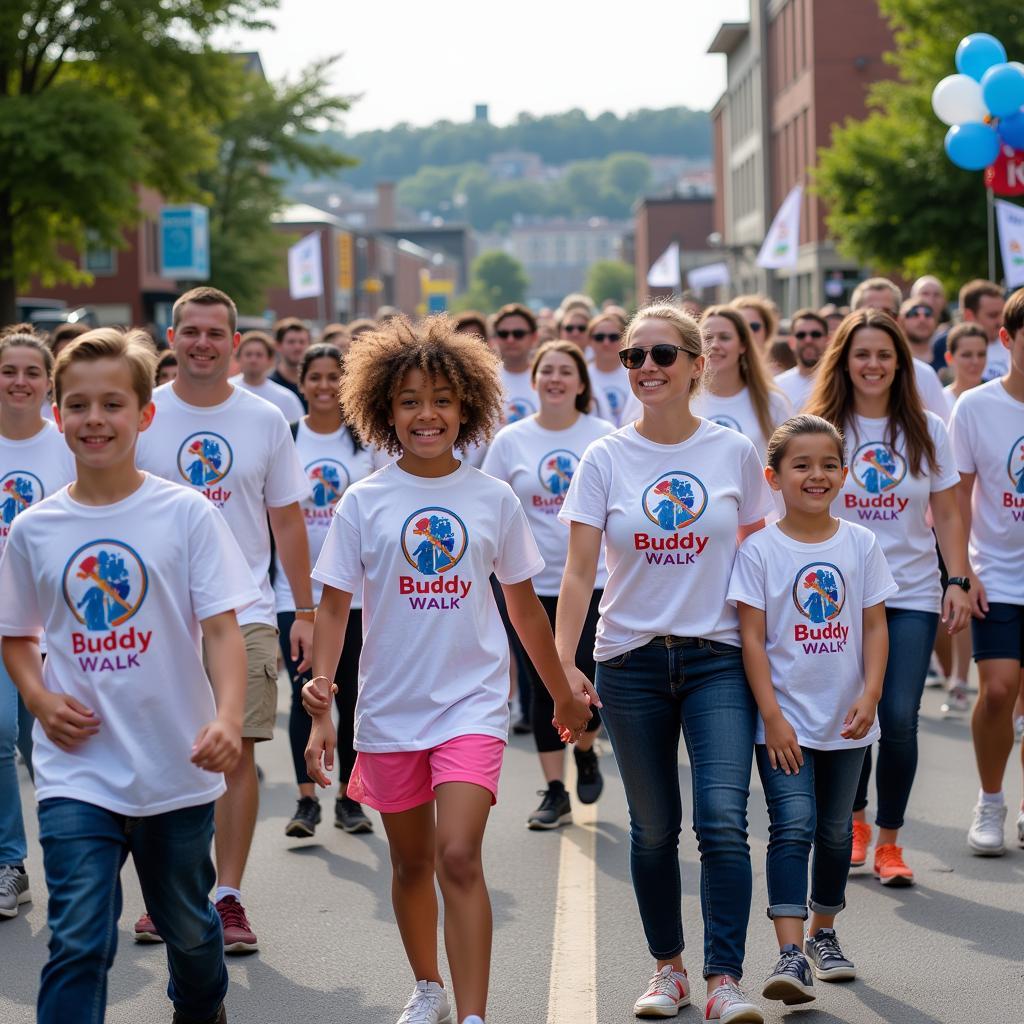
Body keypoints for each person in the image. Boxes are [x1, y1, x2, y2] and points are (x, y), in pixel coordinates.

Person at [301, 315, 592, 1024]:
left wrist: (562, 694)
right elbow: (335, 608)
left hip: (472, 703)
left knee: (458, 855)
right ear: (383, 411)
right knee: (410, 866)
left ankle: (472, 1014)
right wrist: (322, 706)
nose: (425, 414)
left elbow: (525, 611)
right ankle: (427, 985)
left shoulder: (492, 497)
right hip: (391, 708)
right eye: (408, 401)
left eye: (439, 399)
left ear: (466, 408)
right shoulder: (364, 501)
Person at [0, 328, 259, 1024]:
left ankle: (200, 1010)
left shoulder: (185, 515)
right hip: (78, 770)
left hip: (174, 766)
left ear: (144, 414)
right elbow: (16, 635)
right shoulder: (35, 529)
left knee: (190, 931)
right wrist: (38, 695)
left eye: (112, 404)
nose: (94, 420)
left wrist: (229, 717)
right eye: (78, 405)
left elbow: (221, 630)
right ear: (58, 415)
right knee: (79, 939)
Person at [557, 302, 774, 1023]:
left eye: (661, 355)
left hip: (718, 658)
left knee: (721, 818)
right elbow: (579, 568)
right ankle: (668, 969)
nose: (646, 367)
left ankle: (724, 979)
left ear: (696, 363)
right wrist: (563, 663)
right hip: (630, 661)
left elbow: (761, 558)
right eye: (633, 357)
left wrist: (780, 655)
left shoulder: (734, 451)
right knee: (652, 828)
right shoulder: (605, 456)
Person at [136, 286, 314, 952]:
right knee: (171, 757)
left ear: (234, 344)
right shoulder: (144, 415)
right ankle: (172, 892)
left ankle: (227, 897)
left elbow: (288, 519)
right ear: (172, 338)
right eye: (191, 332)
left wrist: (306, 609)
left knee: (236, 752)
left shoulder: (264, 417)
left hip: (244, 610)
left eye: (216, 334)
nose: (203, 343)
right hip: (158, 617)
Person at [729, 415, 895, 1006]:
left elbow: (875, 625)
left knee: (832, 832)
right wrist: (771, 716)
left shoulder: (861, 543)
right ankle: (791, 952)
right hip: (785, 725)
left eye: (828, 464)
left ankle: (826, 933)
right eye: (801, 465)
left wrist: (872, 692)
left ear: (845, 473)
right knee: (791, 825)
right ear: (774, 477)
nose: (816, 475)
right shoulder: (760, 551)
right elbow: (752, 639)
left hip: (848, 722)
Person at [804, 309, 972, 885]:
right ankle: (855, 822)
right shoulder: (821, 425)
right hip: (837, 597)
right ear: (844, 362)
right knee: (855, 712)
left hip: (912, 591)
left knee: (898, 715)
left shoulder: (927, 427)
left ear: (900, 363)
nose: (872, 365)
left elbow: (948, 511)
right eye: (861, 354)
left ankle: (890, 842)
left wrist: (958, 578)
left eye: (883, 354)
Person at [482, 341, 611, 829]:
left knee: (586, 679)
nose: (555, 378)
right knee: (542, 684)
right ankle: (555, 790)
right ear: (534, 382)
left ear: (581, 383)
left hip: (595, 581)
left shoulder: (602, 437)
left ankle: (586, 750)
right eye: (547, 371)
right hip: (528, 586)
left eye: (566, 371)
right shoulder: (510, 440)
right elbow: (488, 509)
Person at [277, 344, 378, 839]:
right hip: (295, 597)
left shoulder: (366, 442)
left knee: (355, 698)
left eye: (333, 377)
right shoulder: (288, 438)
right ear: (302, 382)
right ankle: (306, 800)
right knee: (306, 696)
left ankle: (348, 799)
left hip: (360, 598)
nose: (323, 386)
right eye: (314, 377)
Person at [0, 332, 75, 920]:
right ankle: (10, 862)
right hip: (4, 621)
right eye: (8, 371)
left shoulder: (68, 446)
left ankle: (72, 859)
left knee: (45, 743)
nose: (19, 381)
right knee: (0, 734)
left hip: (61, 624)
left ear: (48, 381)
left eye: (31, 371)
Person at [949, 287, 1024, 854]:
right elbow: (959, 498)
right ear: (1007, 339)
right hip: (997, 571)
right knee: (998, 690)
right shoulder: (976, 407)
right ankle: (990, 800)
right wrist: (963, 571)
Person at [938, 324, 990, 715]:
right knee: (954, 598)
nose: (974, 362)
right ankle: (952, 671)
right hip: (942, 516)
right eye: (966, 354)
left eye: (980, 354)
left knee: (966, 597)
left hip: (980, 519)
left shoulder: (990, 400)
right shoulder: (944, 402)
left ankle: (960, 676)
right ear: (952, 358)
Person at [695, 305, 792, 464]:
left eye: (725, 337)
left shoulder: (773, 402)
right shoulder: (682, 401)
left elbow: (789, 462)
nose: (714, 345)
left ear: (743, 345)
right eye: (707, 337)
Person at [851, 279, 950, 421]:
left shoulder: (923, 375)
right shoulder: (835, 373)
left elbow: (941, 433)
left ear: (898, 318)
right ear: (852, 316)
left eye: (886, 311)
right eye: (870, 310)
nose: (877, 319)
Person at [931, 280, 1006, 381]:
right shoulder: (943, 345)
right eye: (993, 315)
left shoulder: (1015, 342)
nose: (1001, 321)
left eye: (1003, 314)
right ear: (969, 315)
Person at [229, 331, 305, 422]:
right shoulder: (225, 389)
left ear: (270, 360)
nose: (253, 360)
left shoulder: (286, 398)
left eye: (259, 355)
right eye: (248, 354)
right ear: (238, 358)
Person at [774, 309, 831, 413]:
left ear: (828, 340)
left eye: (815, 334)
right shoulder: (776, 387)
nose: (808, 340)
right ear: (791, 342)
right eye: (801, 335)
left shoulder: (841, 383)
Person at [491, 303, 539, 425]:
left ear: (534, 338)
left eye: (518, 334)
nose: (510, 339)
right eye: (503, 334)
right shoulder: (483, 380)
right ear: (496, 338)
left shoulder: (548, 380)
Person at [585, 310, 631, 426]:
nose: (606, 343)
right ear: (590, 341)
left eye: (613, 337)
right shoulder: (581, 375)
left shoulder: (635, 373)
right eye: (599, 337)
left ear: (624, 340)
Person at [270, 317, 312, 408]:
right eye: (291, 342)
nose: (297, 347)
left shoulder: (317, 384)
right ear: (278, 345)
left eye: (302, 342)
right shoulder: (268, 383)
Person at [898, 298, 939, 366]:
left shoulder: (950, 356)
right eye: (914, 314)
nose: (922, 320)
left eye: (928, 314)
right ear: (901, 321)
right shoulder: (896, 362)